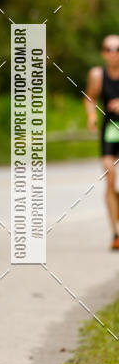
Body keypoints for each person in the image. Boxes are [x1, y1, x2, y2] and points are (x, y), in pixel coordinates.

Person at [84, 34, 119, 249]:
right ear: (102, 53)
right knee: (109, 176)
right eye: (109, 49)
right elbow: (90, 97)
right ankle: (116, 233)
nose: (113, 53)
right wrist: (91, 115)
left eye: (117, 49)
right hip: (110, 131)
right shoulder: (97, 75)